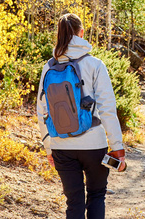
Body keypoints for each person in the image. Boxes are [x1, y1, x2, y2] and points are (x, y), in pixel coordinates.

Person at [36, 13, 126, 219]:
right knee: (96, 195)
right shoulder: (95, 65)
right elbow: (107, 109)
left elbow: (42, 111)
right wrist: (117, 147)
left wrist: (49, 147)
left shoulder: (48, 67)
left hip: (61, 146)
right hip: (94, 145)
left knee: (74, 201)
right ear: (81, 33)